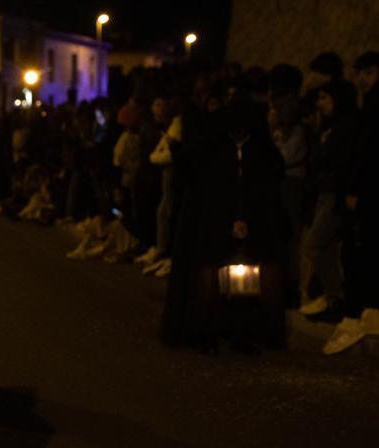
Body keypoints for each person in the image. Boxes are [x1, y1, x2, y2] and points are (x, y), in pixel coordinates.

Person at [161, 99, 287, 352]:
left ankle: (248, 331)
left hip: (250, 222)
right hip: (213, 222)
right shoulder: (213, 149)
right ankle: (210, 329)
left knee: (252, 279)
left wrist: (244, 218)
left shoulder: (259, 151)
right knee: (209, 276)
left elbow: (264, 188)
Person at [325, 51, 379, 353]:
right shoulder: (367, 105)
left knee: (359, 251)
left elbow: (367, 151)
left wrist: (355, 188)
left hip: (367, 192)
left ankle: (359, 314)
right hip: (367, 190)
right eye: (360, 72)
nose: (362, 79)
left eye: (368, 73)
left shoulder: (372, 107)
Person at [299, 79, 358, 322]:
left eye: (325, 98)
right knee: (324, 246)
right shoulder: (328, 127)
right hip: (325, 192)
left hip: (335, 192)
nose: (320, 104)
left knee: (315, 245)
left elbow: (339, 161)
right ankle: (334, 297)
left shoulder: (346, 127)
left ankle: (336, 296)